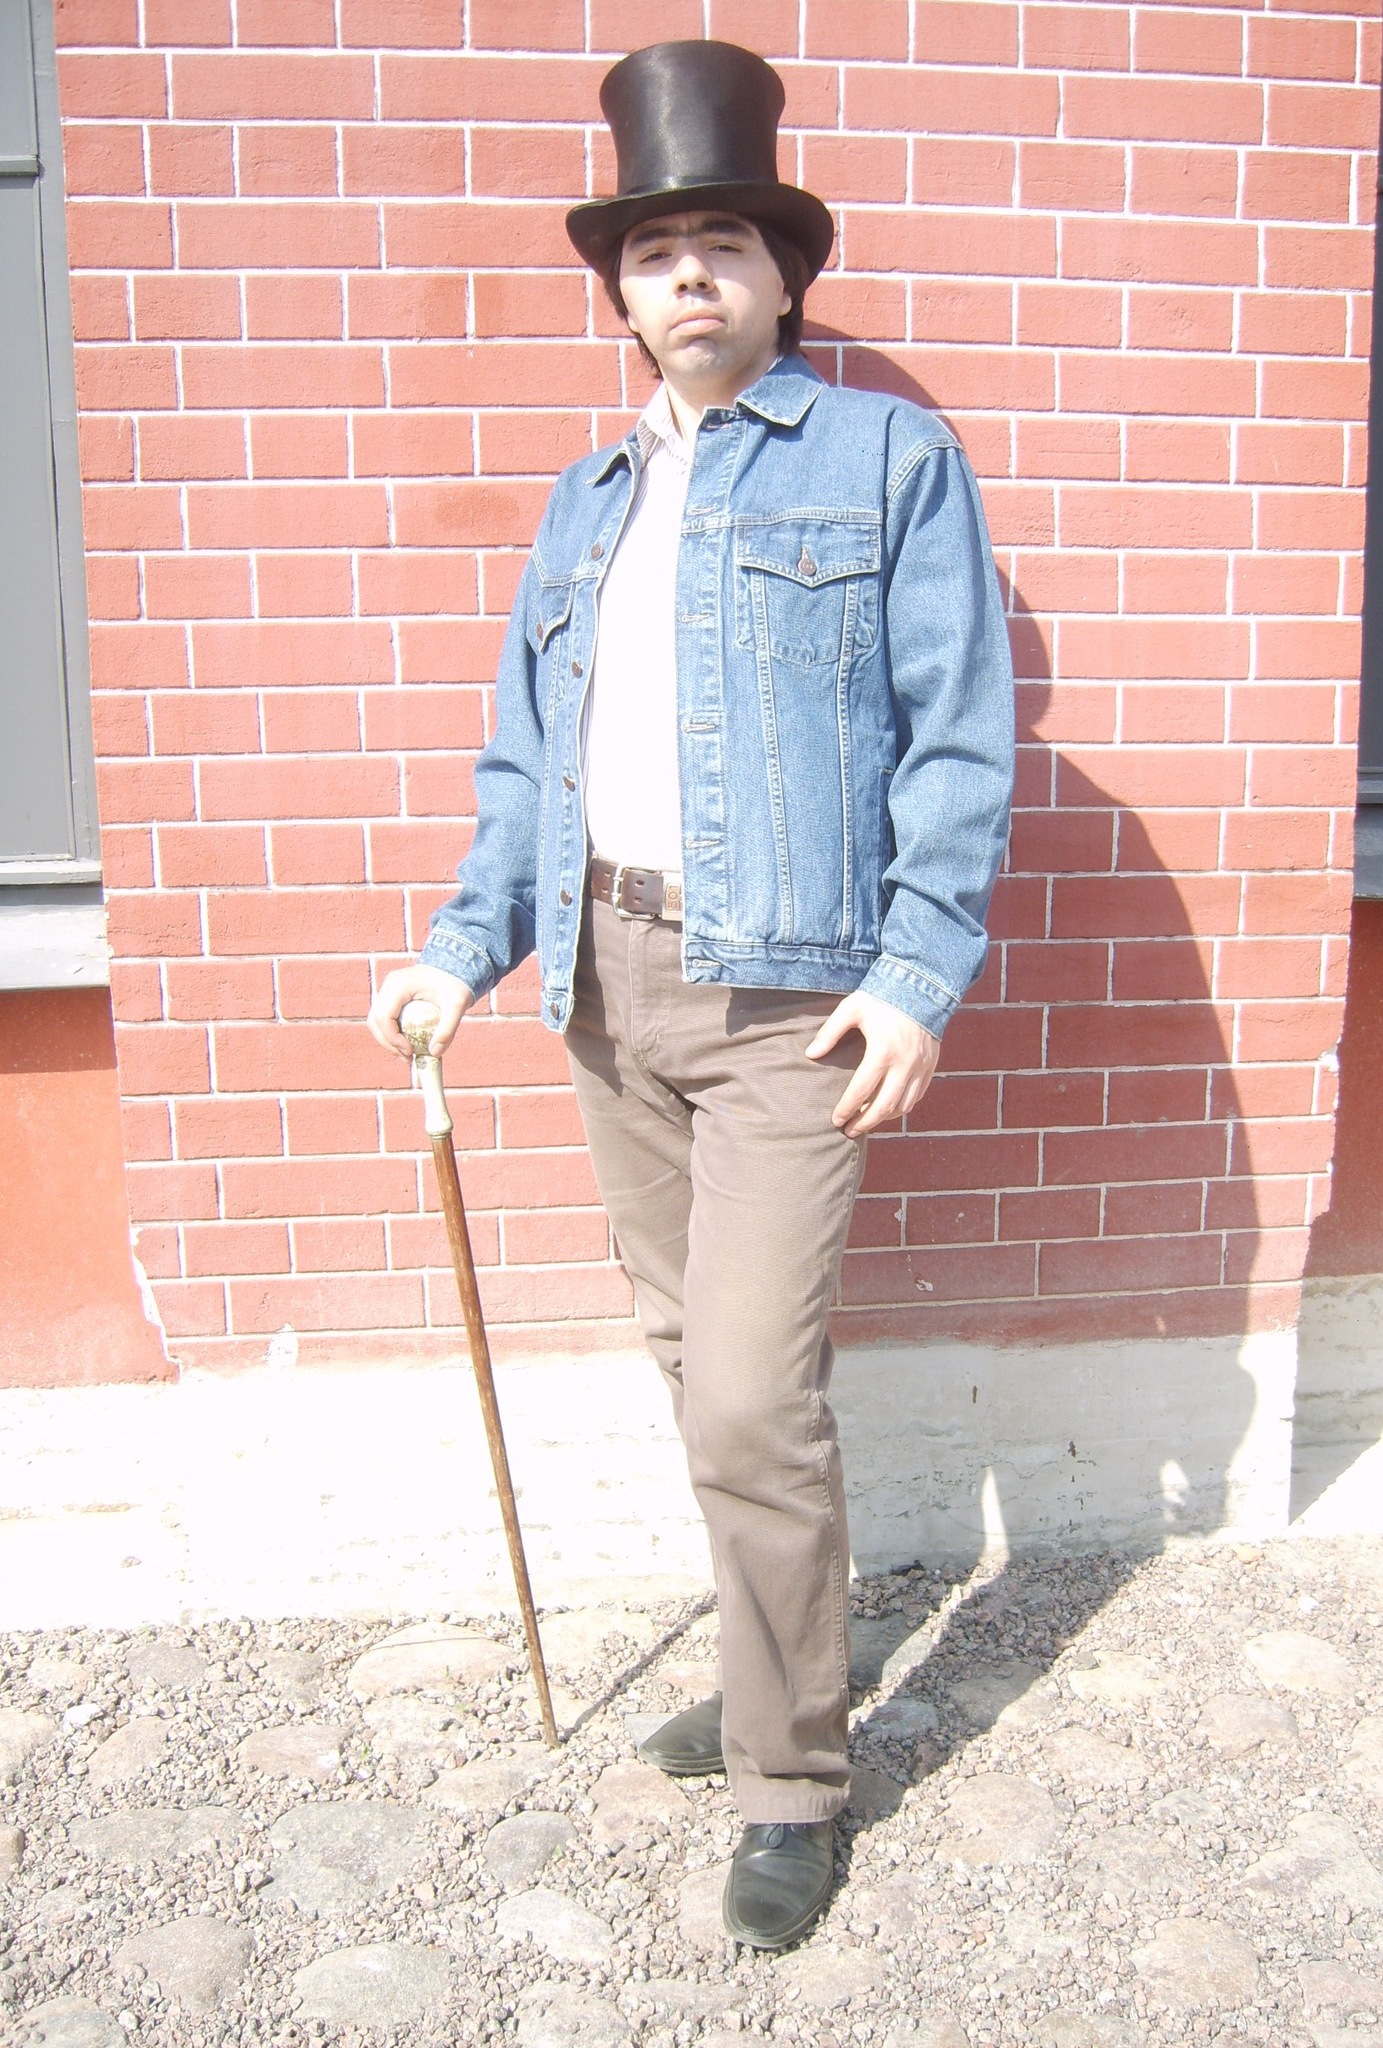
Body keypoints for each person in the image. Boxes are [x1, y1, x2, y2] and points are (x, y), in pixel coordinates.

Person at [368, 38, 1015, 1950]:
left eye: (723, 244)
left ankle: (793, 1777)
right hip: (603, 987)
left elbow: (960, 736)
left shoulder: (886, 462)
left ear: (782, 275)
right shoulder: (582, 507)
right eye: (655, 255)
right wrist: (459, 949)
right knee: (691, 1370)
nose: (690, 279)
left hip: (788, 1001)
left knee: (746, 1397)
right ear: (624, 296)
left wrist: (918, 971)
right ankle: (765, 1677)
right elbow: (526, 765)